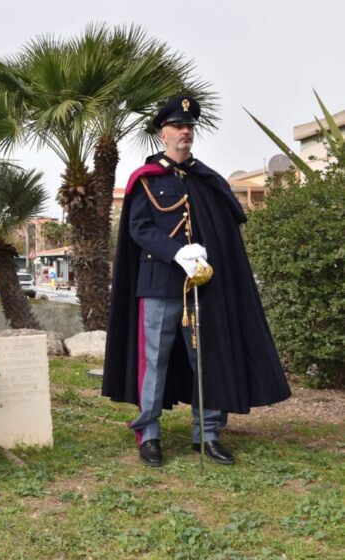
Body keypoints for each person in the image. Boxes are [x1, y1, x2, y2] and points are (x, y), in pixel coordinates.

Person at [102, 96, 291, 467]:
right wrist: (176, 252)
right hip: (159, 283)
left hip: (203, 287)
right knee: (153, 361)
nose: (185, 132)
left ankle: (206, 434)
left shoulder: (205, 178)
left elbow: (225, 227)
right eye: (178, 126)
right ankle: (150, 434)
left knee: (208, 359)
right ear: (163, 133)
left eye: (189, 126)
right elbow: (139, 228)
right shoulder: (145, 179)